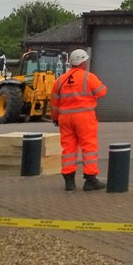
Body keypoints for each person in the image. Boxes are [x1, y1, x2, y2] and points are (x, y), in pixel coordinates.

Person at [50, 48, 108, 191]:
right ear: (83, 62)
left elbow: (54, 103)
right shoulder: (88, 77)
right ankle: (90, 180)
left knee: (68, 149)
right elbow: (102, 92)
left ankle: (69, 182)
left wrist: (55, 118)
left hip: (64, 118)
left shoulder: (60, 80)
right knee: (89, 147)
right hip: (84, 117)